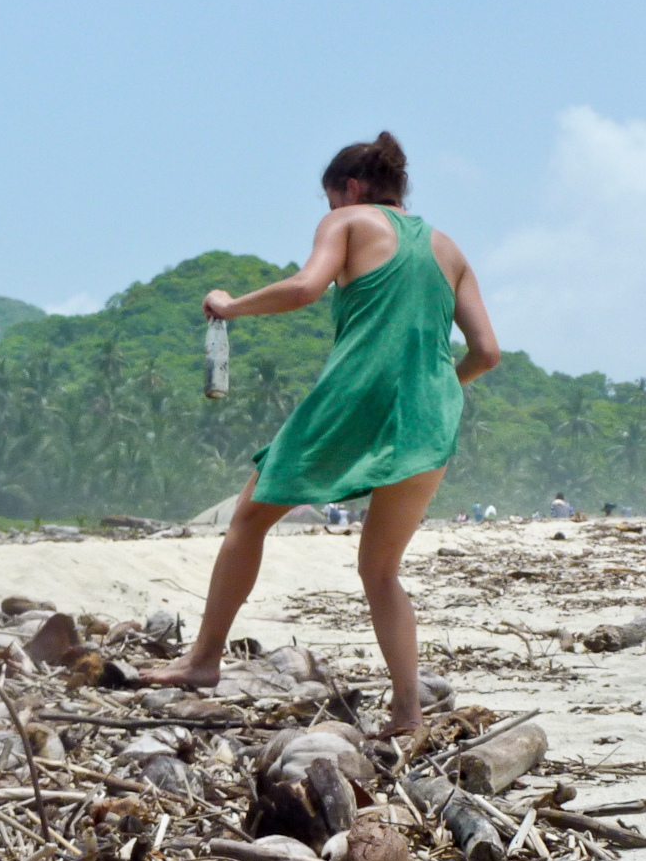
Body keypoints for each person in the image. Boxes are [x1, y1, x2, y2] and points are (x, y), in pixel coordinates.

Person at [143, 132, 500, 733]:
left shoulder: (349, 221)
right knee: (381, 571)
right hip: (430, 415)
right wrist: (437, 390)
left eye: (330, 196)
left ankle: (203, 661)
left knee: (250, 519)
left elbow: (306, 288)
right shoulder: (449, 248)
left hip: (352, 396)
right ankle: (408, 708)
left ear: (350, 188)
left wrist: (229, 306)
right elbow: (486, 352)